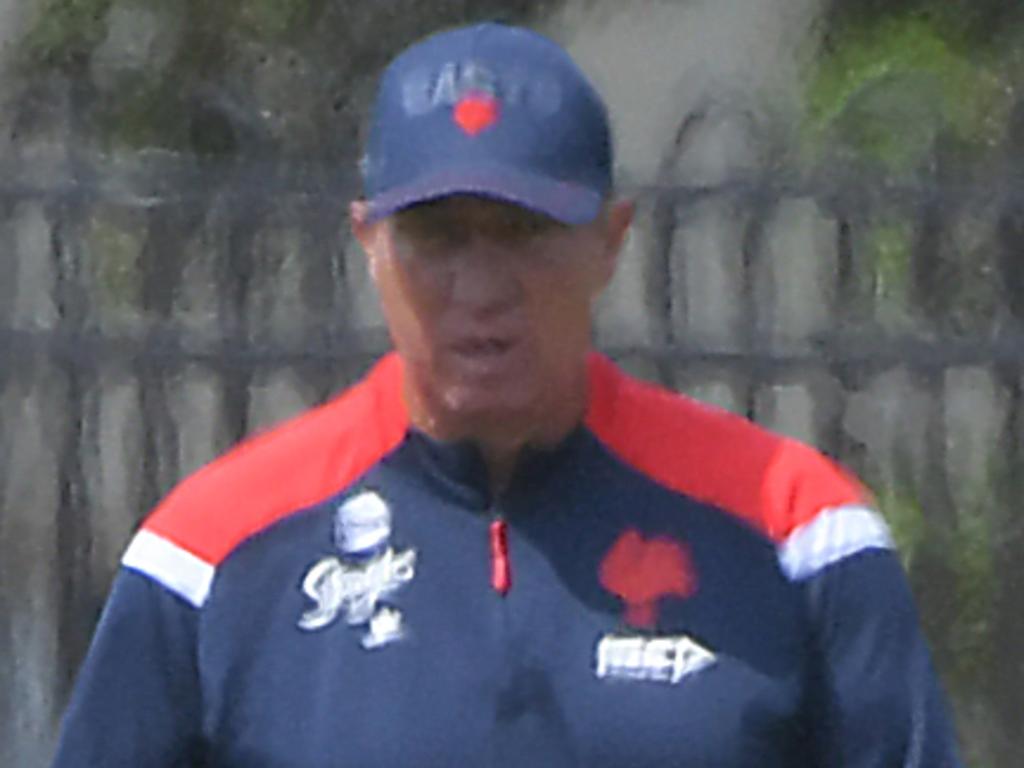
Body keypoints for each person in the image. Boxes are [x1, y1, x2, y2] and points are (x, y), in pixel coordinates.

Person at [52, 22, 963, 767]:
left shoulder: (797, 531)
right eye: (438, 237)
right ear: (369, 244)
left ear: (611, 239)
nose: (481, 286)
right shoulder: (212, 550)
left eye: (524, 231)